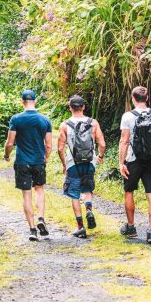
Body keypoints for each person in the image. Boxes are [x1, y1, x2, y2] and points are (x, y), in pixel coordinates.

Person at [119, 86, 151, 244]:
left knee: (129, 192)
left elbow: (124, 141)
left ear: (133, 99)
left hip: (133, 160)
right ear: (147, 98)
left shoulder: (128, 116)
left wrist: (121, 163)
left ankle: (131, 228)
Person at [4, 90, 52, 241]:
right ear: (35, 101)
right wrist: (45, 158)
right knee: (39, 190)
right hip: (38, 161)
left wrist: (6, 154)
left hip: (22, 161)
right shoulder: (45, 120)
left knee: (26, 194)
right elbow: (49, 145)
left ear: (22, 101)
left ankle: (32, 230)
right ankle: (41, 218)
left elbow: (10, 143)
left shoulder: (16, 119)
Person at [58, 95, 106, 238]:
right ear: (84, 107)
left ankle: (80, 227)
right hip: (90, 161)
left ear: (70, 108)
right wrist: (100, 157)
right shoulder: (93, 123)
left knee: (74, 193)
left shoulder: (65, 125)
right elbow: (102, 144)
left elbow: (60, 148)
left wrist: (64, 164)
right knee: (86, 188)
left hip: (73, 163)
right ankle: (89, 209)